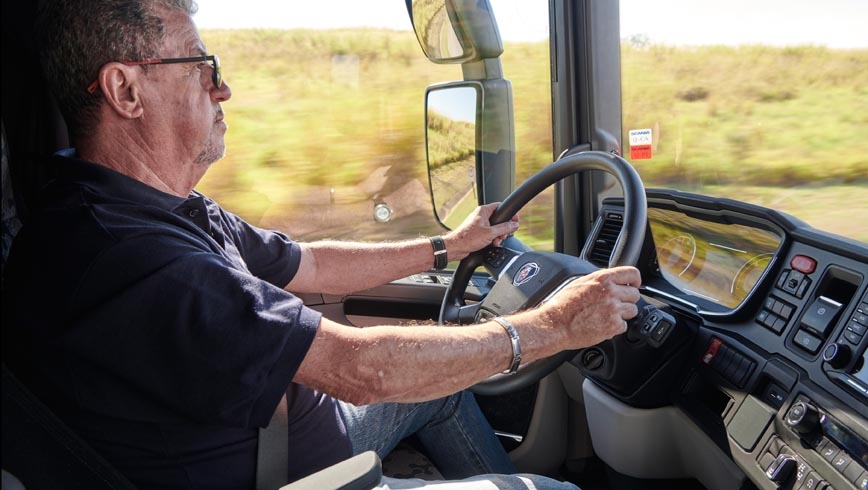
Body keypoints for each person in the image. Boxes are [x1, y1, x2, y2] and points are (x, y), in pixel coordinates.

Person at [3, 0, 642, 488]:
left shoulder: (156, 210)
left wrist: (447, 247)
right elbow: (363, 370)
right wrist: (556, 325)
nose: (221, 89)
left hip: (289, 434)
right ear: (124, 91)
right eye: (201, 68)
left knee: (443, 385)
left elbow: (311, 264)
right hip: (296, 477)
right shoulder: (132, 258)